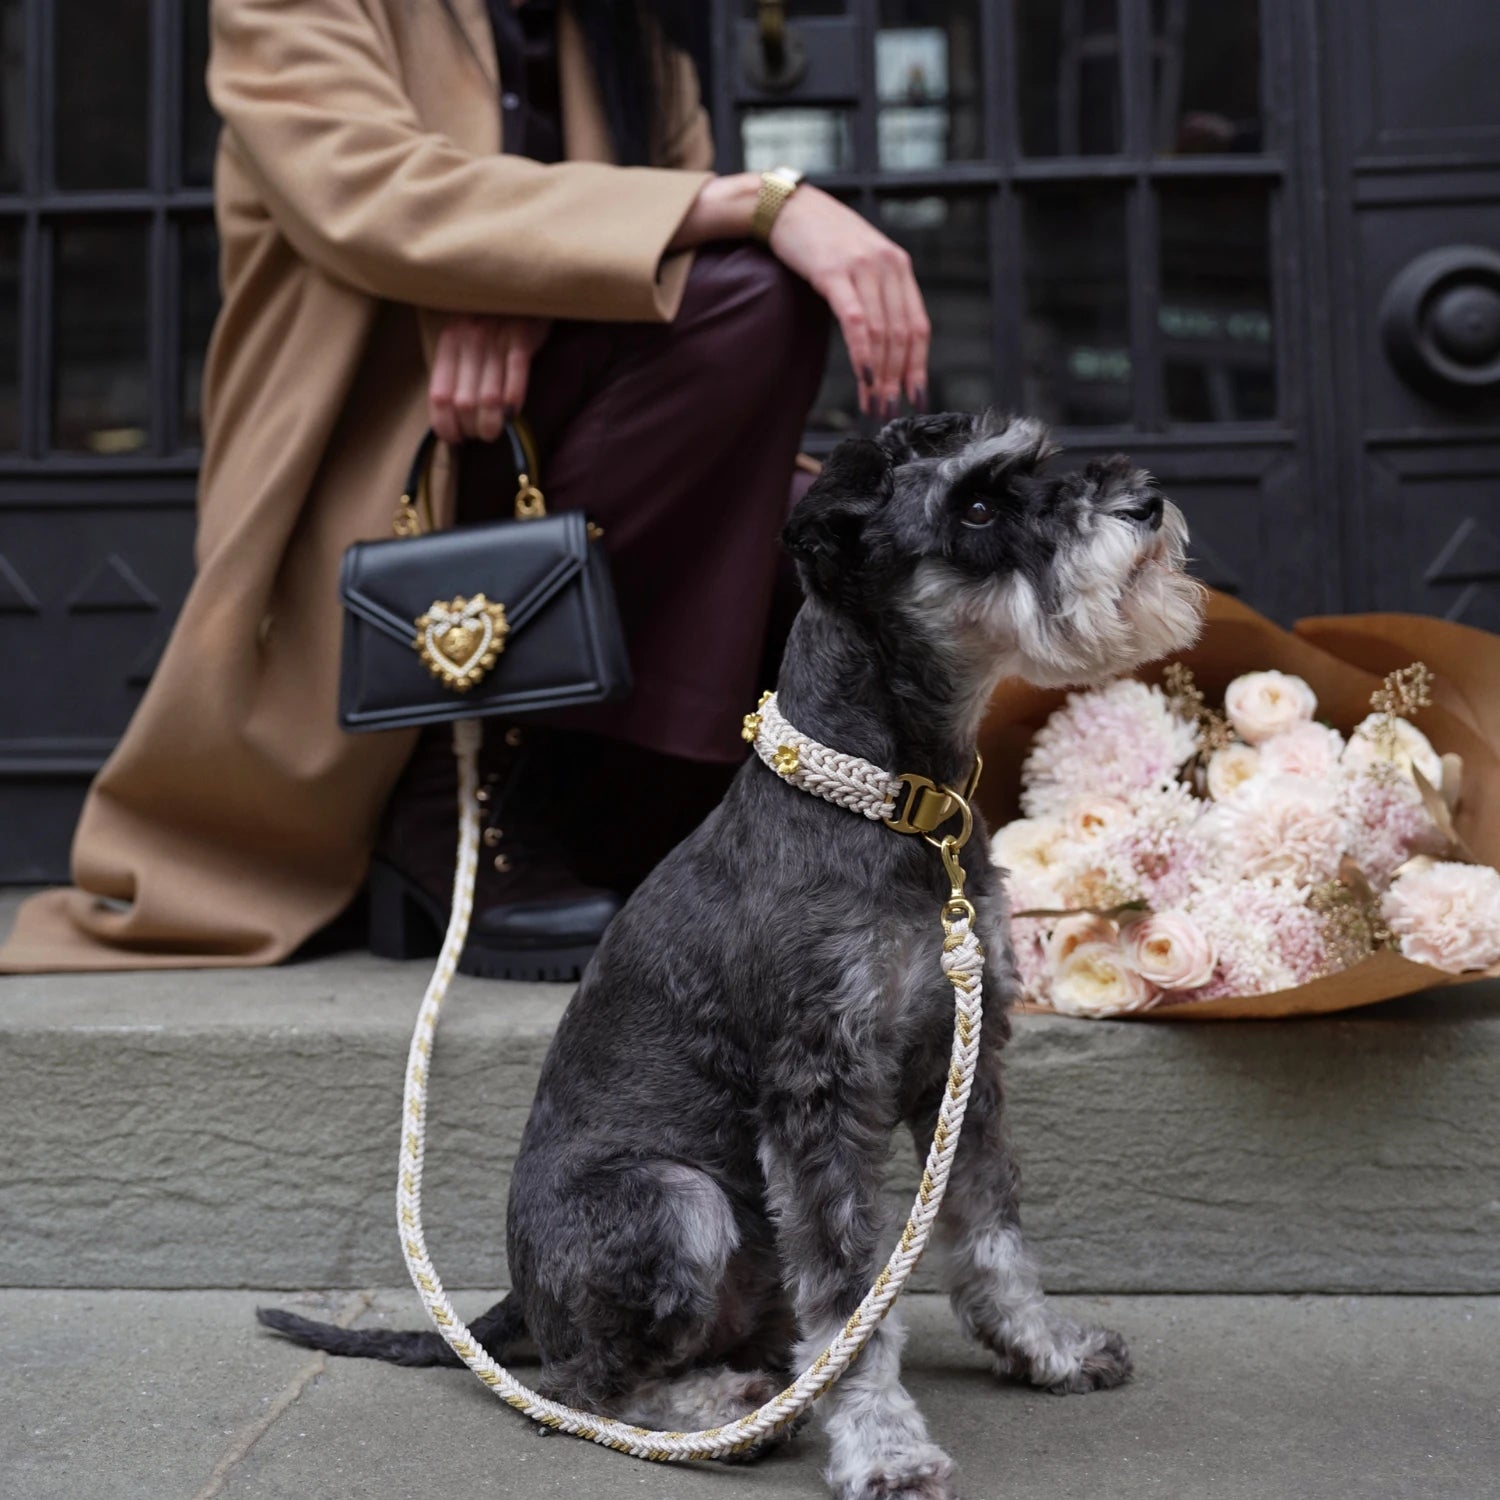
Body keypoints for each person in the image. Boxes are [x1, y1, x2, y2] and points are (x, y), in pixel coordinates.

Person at [0, 0, 930, 979]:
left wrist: (522, 278)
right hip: (386, 472)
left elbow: (654, 244)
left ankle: (591, 797)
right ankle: (446, 791)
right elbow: (377, 198)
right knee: (756, 274)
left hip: (560, 457)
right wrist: (773, 200)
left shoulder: (626, 34)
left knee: (774, 396)